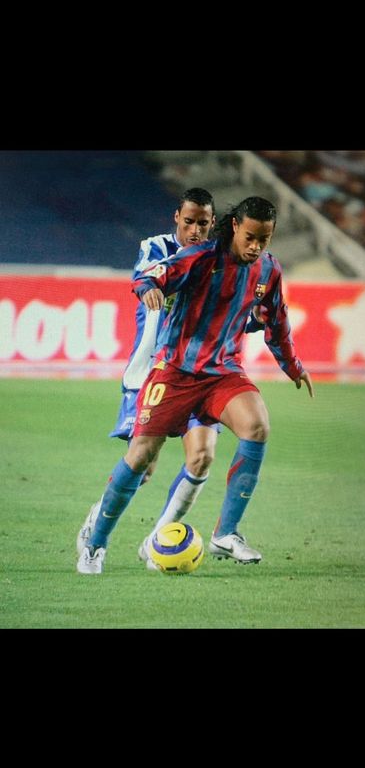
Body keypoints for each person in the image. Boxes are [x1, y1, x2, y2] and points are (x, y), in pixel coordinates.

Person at [77, 195, 313, 575]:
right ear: (235, 226)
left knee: (256, 426)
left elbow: (277, 320)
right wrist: (147, 287)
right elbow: (154, 274)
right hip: (175, 372)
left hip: (222, 373)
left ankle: (226, 532)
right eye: (250, 237)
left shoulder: (268, 271)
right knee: (140, 458)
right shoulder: (201, 257)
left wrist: (292, 364)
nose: (255, 247)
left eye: (263, 240)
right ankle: (96, 544)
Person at [77, 188, 218, 568]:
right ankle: (98, 529)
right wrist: (148, 286)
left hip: (200, 371)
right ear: (177, 218)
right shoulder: (156, 248)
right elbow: (144, 277)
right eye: (188, 222)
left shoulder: (219, 260)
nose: (194, 230)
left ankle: (158, 541)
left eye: (202, 224)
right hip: (151, 372)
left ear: (213, 224)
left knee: (203, 456)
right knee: (143, 465)